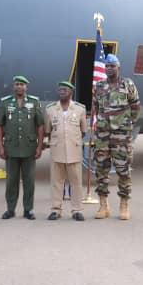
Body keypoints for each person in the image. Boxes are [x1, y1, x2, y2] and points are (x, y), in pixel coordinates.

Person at [92, 53, 140, 221]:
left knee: (123, 170)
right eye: (107, 66)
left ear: (118, 67)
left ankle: (124, 205)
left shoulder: (128, 84)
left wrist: (127, 124)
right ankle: (103, 205)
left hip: (122, 136)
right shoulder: (99, 86)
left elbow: (135, 106)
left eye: (112, 66)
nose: (109, 69)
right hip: (103, 136)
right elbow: (96, 107)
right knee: (101, 170)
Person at [0, 76, 44, 220]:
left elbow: (40, 125)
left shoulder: (34, 102)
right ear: (13, 86)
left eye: (22, 84)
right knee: (11, 181)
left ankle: (28, 210)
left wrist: (39, 146)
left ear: (26, 87)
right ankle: (10, 209)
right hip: (11, 148)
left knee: (29, 181)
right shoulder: (5, 102)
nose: (19, 87)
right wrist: (0, 147)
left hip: (29, 148)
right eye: (17, 84)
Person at [44, 81, 88, 221]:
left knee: (76, 182)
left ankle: (77, 210)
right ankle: (56, 210)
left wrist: (71, 141)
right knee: (56, 182)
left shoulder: (80, 109)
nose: (62, 92)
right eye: (60, 90)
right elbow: (48, 131)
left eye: (65, 90)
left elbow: (83, 131)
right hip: (57, 150)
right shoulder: (50, 109)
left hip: (73, 150)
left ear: (71, 92)